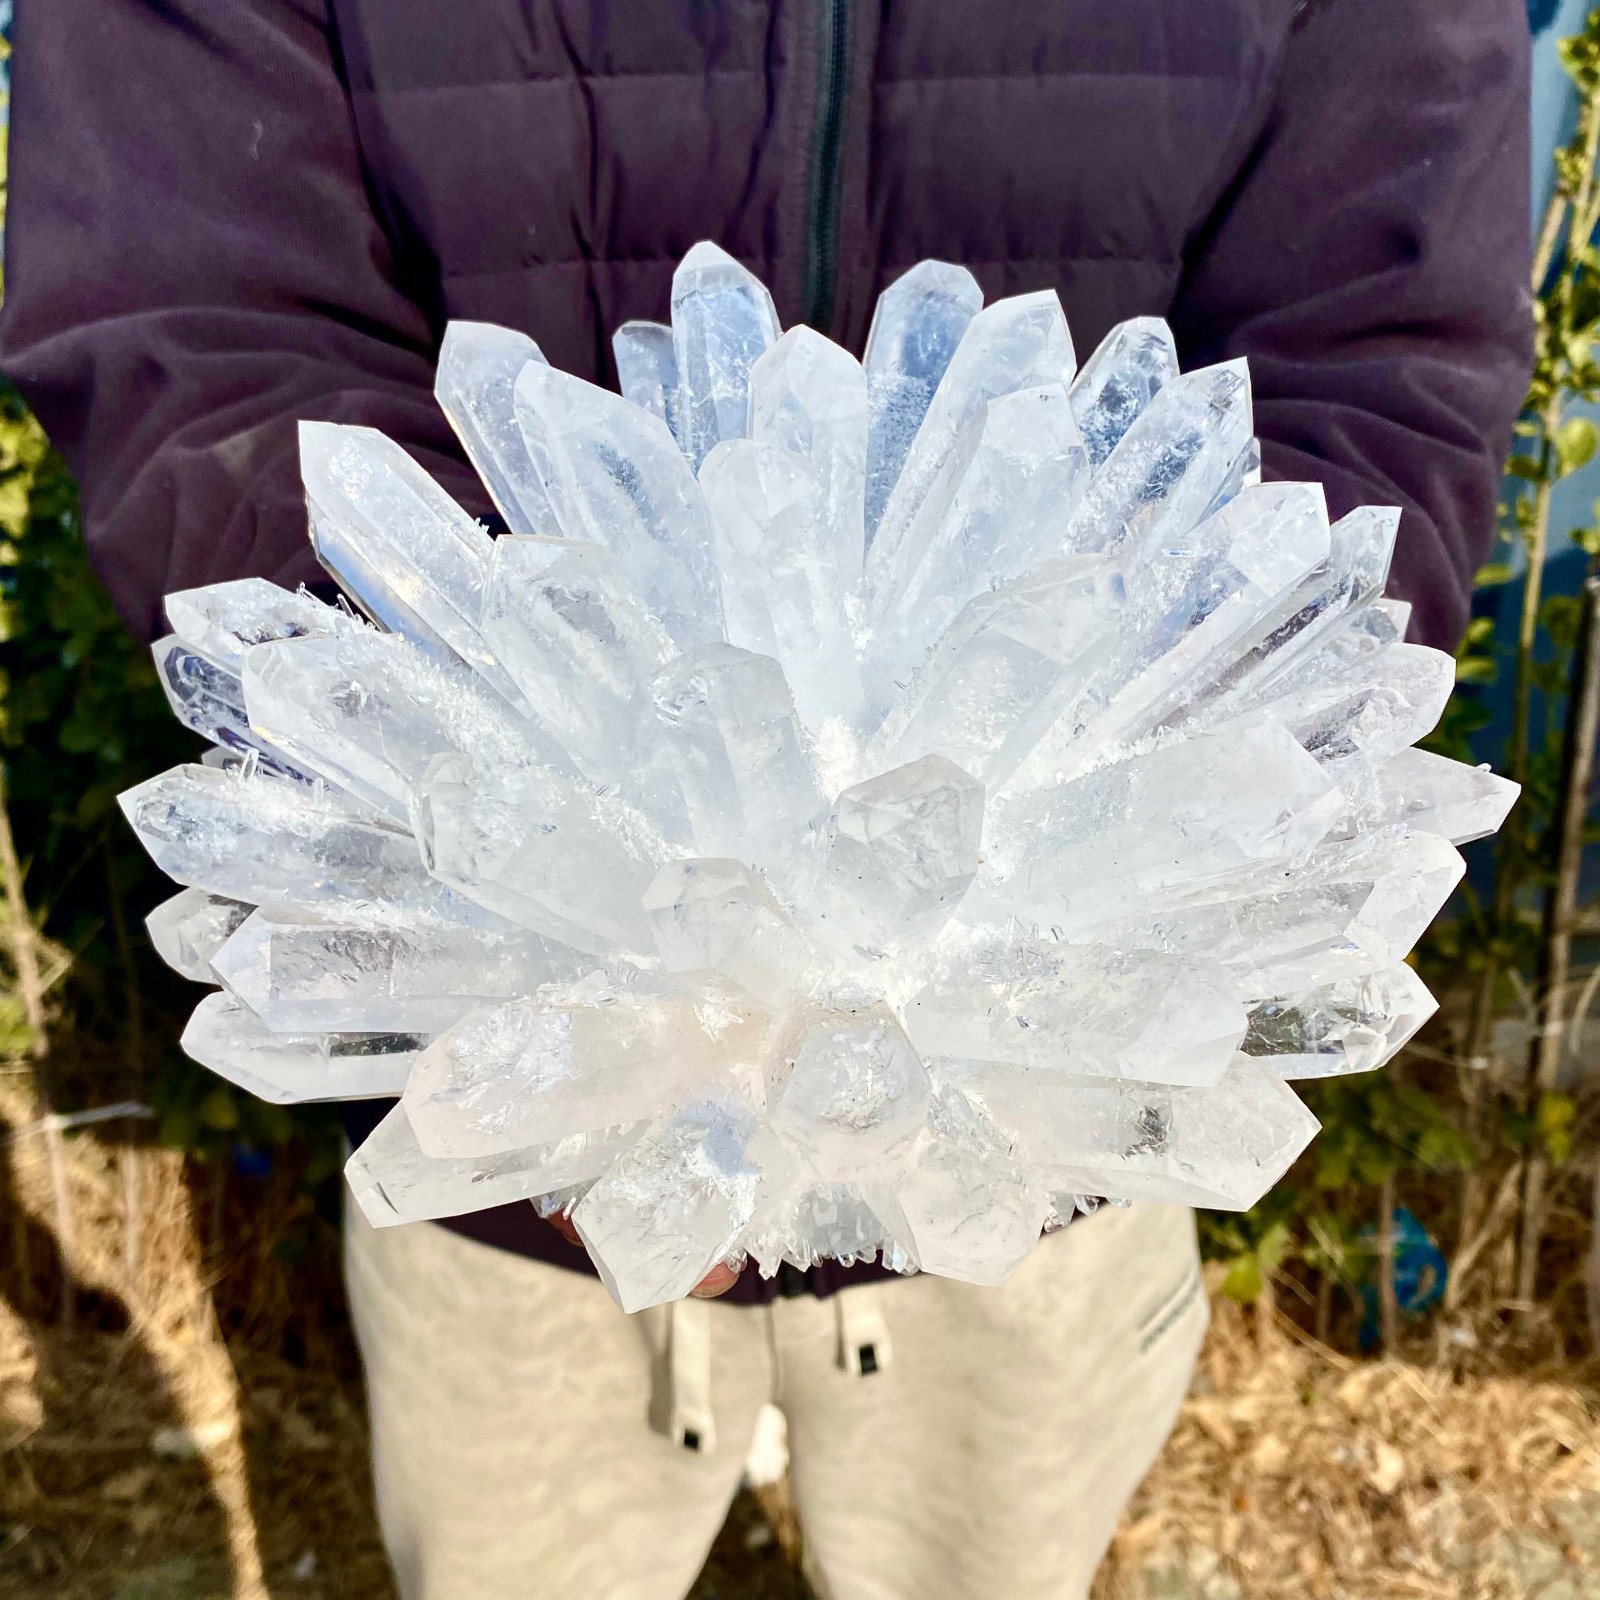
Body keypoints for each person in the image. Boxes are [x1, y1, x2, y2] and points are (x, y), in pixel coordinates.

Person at [0, 2, 1532, 1597]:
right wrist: (552, 903)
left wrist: (1157, 817)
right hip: (517, 1146)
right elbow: (194, 321)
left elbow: (1380, 356)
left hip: (1043, 1145)